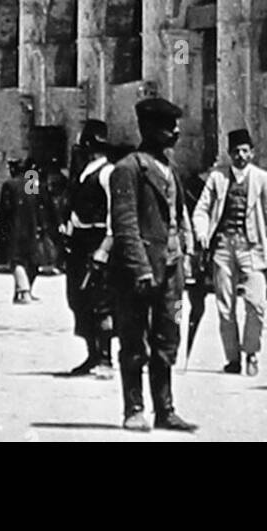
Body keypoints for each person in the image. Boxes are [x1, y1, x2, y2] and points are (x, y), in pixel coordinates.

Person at [105, 98, 197, 432]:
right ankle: (134, 408)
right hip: (139, 271)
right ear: (148, 129)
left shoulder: (170, 169)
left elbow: (179, 216)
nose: (175, 133)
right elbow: (126, 224)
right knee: (133, 340)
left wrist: (187, 253)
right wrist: (140, 268)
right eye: (168, 127)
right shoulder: (128, 169)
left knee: (167, 339)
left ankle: (166, 408)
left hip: (171, 269)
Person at [192, 127, 267, 376]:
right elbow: (201, 209)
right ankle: (232, 359)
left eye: (245, 151)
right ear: (229, 154)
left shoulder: (262, 178)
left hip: (251, 247)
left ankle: (251, 352)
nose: (240, 156)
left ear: (252, 153)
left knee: (256, 303)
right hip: (223, 246)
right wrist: (202, 232)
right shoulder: (217, 178)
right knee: (224, 306)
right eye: (235, 152)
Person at [64, 138, 123, 378]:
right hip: (75, 239)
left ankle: (104, 356)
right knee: (79, 298)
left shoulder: (30, 174)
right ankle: (93, 354)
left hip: (94, 239)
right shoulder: (79, 174)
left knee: (100, 299)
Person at [0, 158, 47, 303]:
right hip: (31, 226)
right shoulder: (31, 181)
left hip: (14, 227)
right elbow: (35, 204)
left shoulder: (9, 184)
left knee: (16, 260)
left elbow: (5, 209)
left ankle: (24, 292)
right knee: (30, 261)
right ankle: (23, 291)